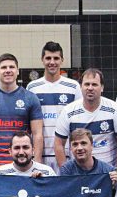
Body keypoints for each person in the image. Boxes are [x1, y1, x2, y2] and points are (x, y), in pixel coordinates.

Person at [0, 53, 43, 170]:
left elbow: (37, 134)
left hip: (20, 165)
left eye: (11, 67)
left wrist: (37, 163)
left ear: (18, 71)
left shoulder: (31, 98)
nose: (8, 70)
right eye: (4, 67)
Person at [55, 68, 117, 179]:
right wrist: (67, 176)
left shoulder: (114, 109)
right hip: (78, 176)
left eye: (94, 84)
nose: (90, 88)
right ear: (81, 87)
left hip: (107, 175)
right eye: (86, 84)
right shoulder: (68, 112)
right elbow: (58, 144)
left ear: (102, 87)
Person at [27, 42, 82, 174]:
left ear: (62, 60)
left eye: (56, 58)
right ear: (42, 60)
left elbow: (79, 121)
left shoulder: (73, 86)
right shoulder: (32, 87)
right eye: (48, 58)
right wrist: (35, 156)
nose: (52, 62)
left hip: (67, 155)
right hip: (41, 155)